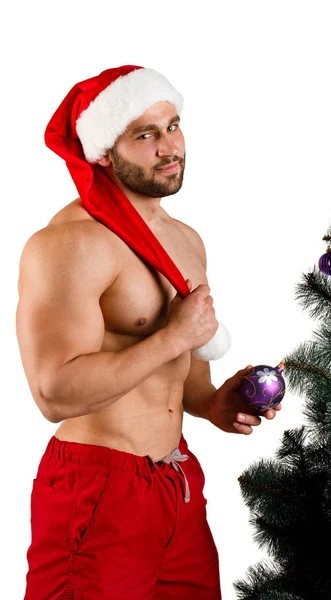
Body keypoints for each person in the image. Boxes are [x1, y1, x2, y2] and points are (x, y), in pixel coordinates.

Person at [16, 65, 281, 600]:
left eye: (173, 126)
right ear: (104, 153)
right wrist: (171, 338)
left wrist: (214, 403)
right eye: (145, 134)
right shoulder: (70, 245)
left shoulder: (187, 241)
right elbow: (53, 393)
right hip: (97, 489)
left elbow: (187, 379)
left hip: (175, 483)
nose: (169, 146)